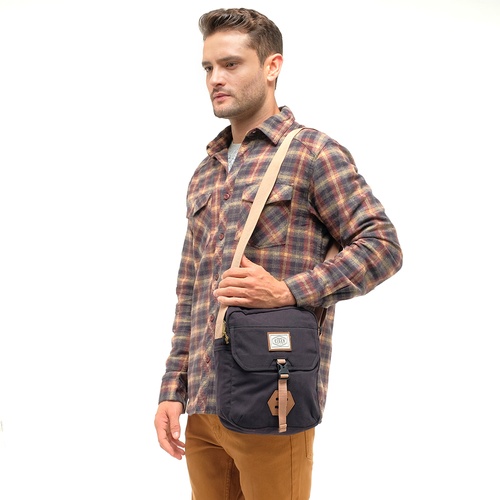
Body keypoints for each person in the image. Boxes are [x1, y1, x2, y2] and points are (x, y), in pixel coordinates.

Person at [154, 7, 403, 499]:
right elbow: (191, 289)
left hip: (272, 398)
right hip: (202, 405)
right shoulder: (205, 172)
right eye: (208, 67)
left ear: (272, 67)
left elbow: (382, 245)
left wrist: (288, 291)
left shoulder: (312, 153)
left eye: (231, 64)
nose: (215, 79)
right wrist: (172, 389)